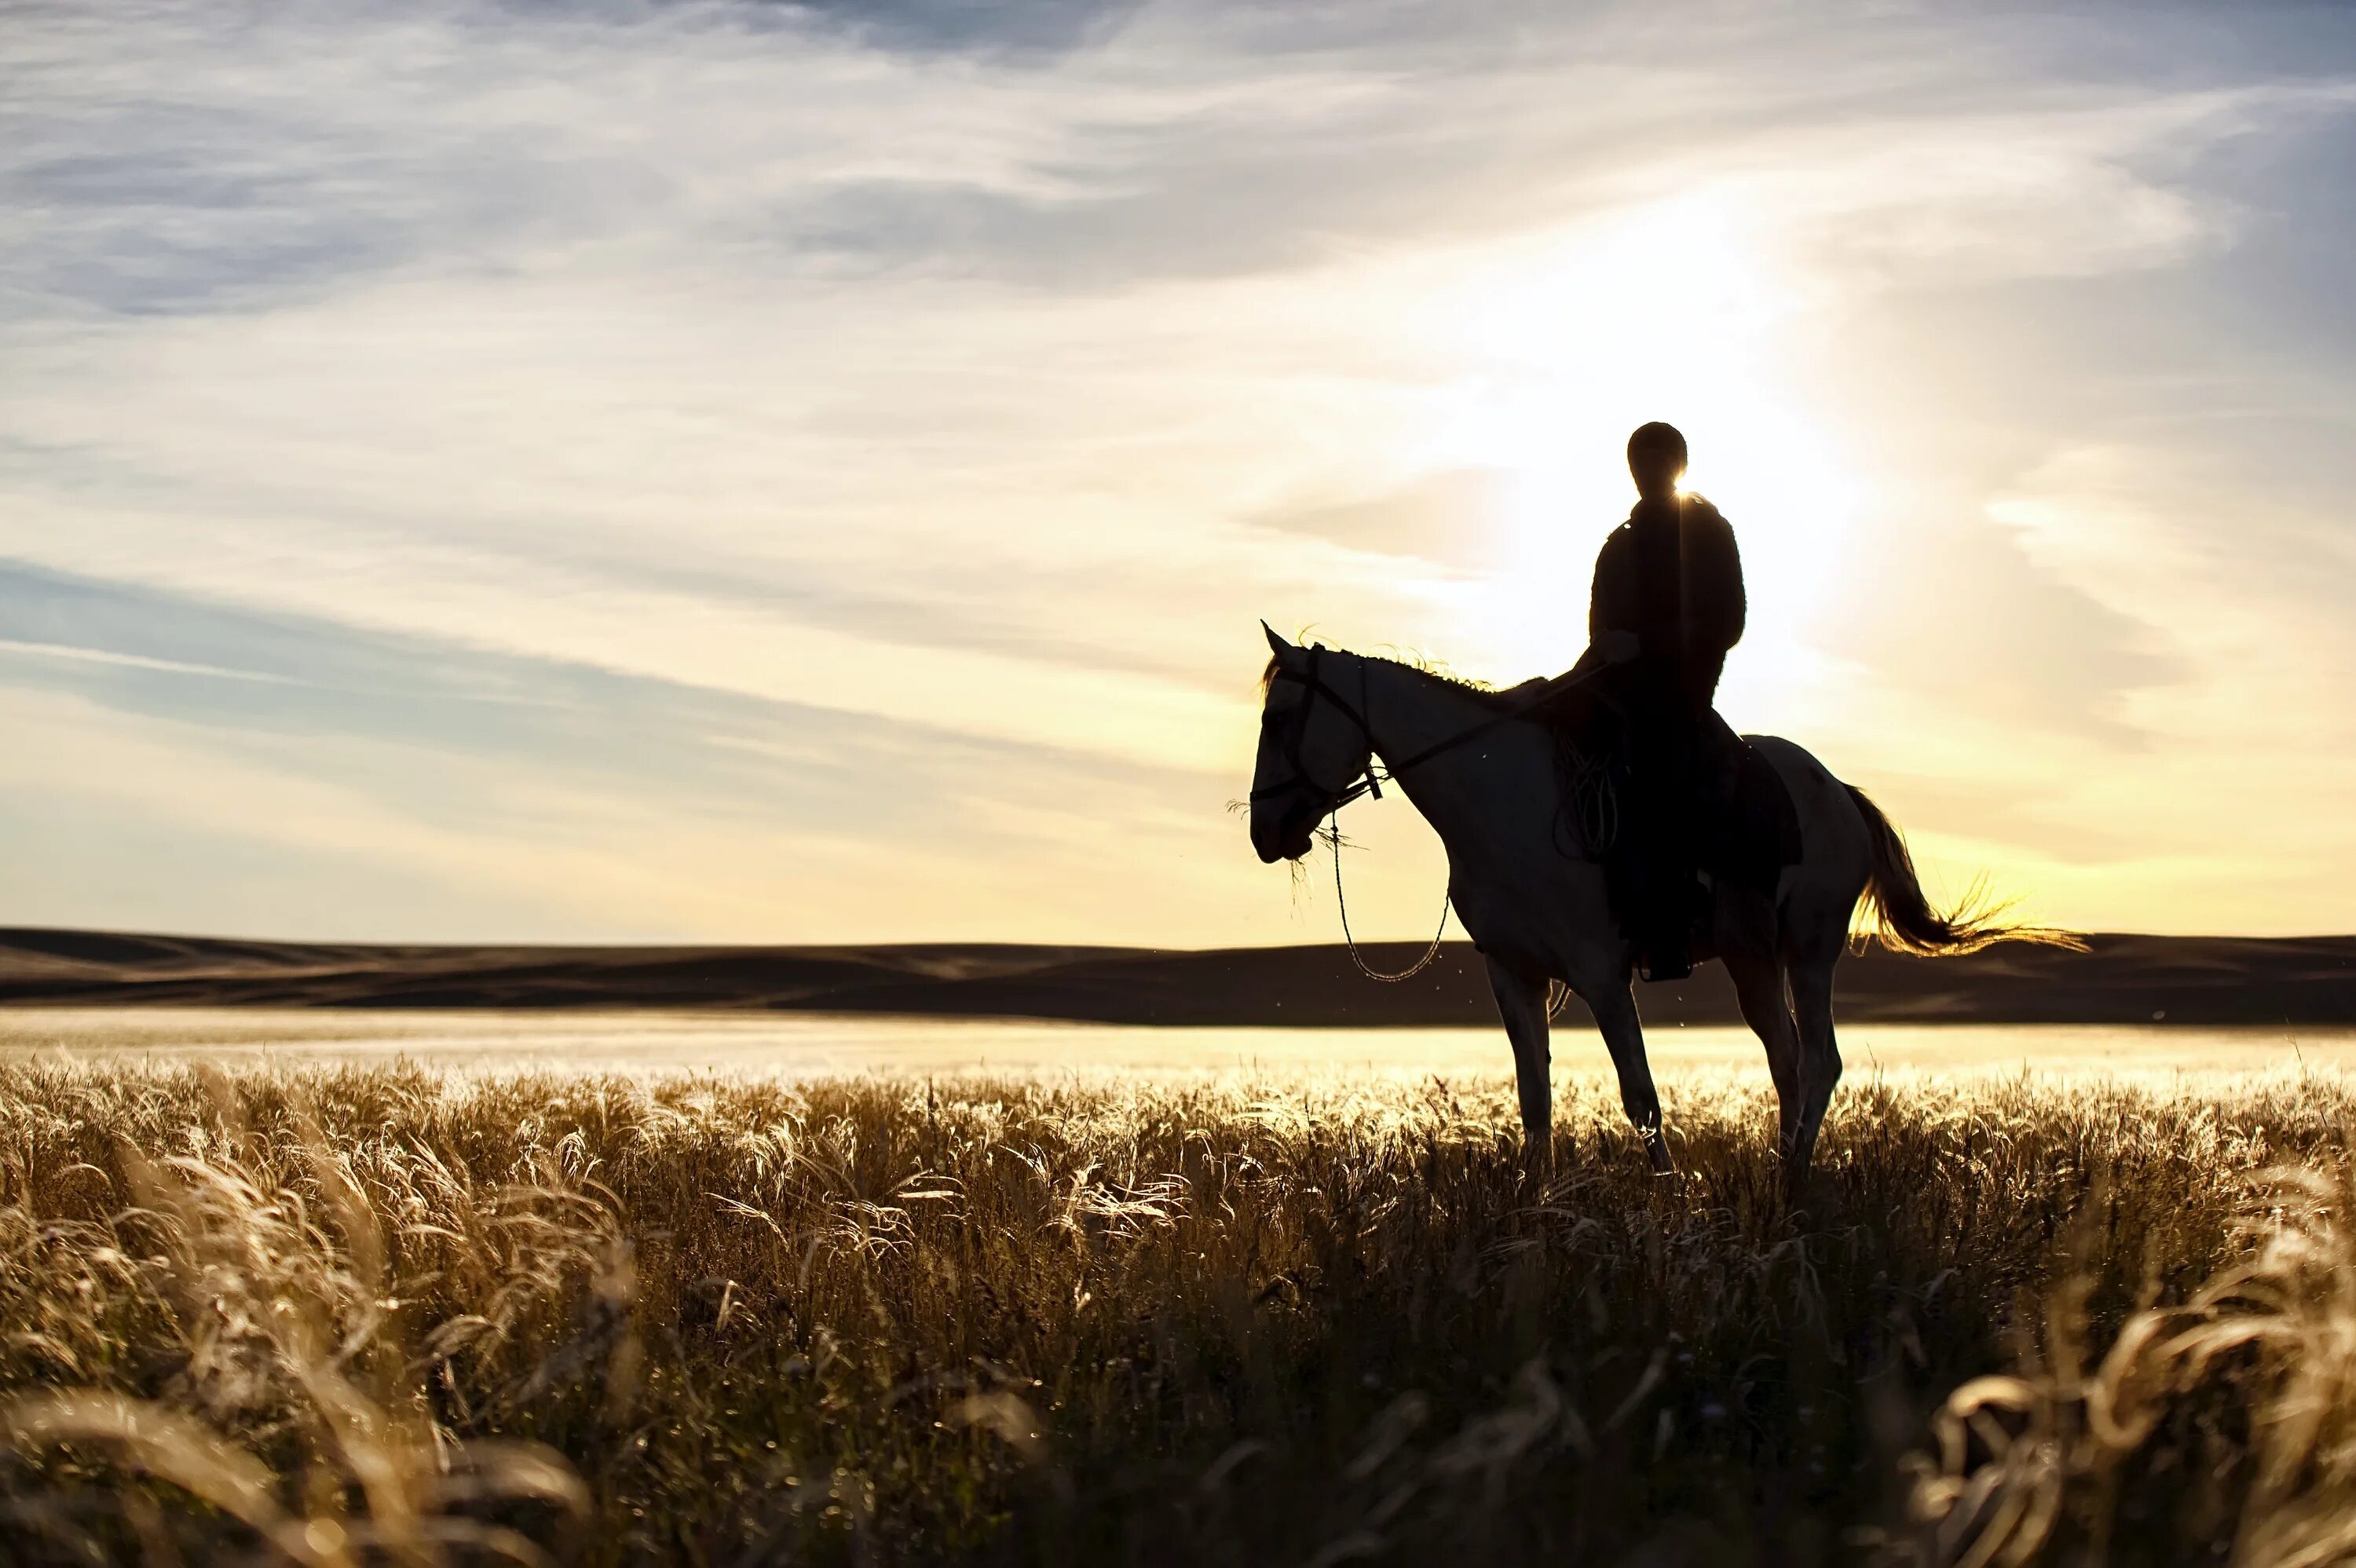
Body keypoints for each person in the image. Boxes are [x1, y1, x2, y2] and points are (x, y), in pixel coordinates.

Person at [1575, 421, 1746, 981]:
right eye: (1639, 463)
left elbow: (1727, 622)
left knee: (1658, 774)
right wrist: (1601, 654)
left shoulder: (1708, 531)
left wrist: (1646, 643)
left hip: (1680, 688)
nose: (1648, 473)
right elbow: (1600, 622)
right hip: (1616, 680)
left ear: (1678, 466)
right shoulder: (1619, 543)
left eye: (1658, 463)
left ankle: (1671, 925)